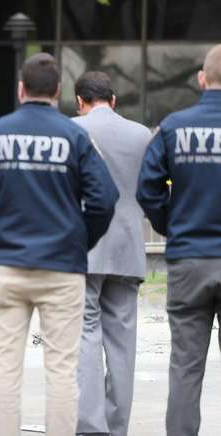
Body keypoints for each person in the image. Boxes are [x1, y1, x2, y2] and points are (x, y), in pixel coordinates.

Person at [0, 53, 119, 436]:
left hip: (9, 265)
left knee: (5, 367)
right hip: (62, 267)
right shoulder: (76, 136)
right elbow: (104, 199)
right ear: (59, 91)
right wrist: (79, 240)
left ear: (20, 89)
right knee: (62, 369)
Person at [137, 44, 221, 436]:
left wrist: (174, 225)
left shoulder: (174, 126)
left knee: (186, 367)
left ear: (202, 80)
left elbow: (148, 188)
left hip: (189, 259)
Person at [72, 71, 151, 436]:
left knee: (86, 335)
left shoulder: (71, 130)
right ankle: (117, 425)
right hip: (128, 247)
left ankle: (91, 424)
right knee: (123, 342)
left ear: (80, 101)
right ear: (114, 99)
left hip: (84, 245)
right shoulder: (141, 134)